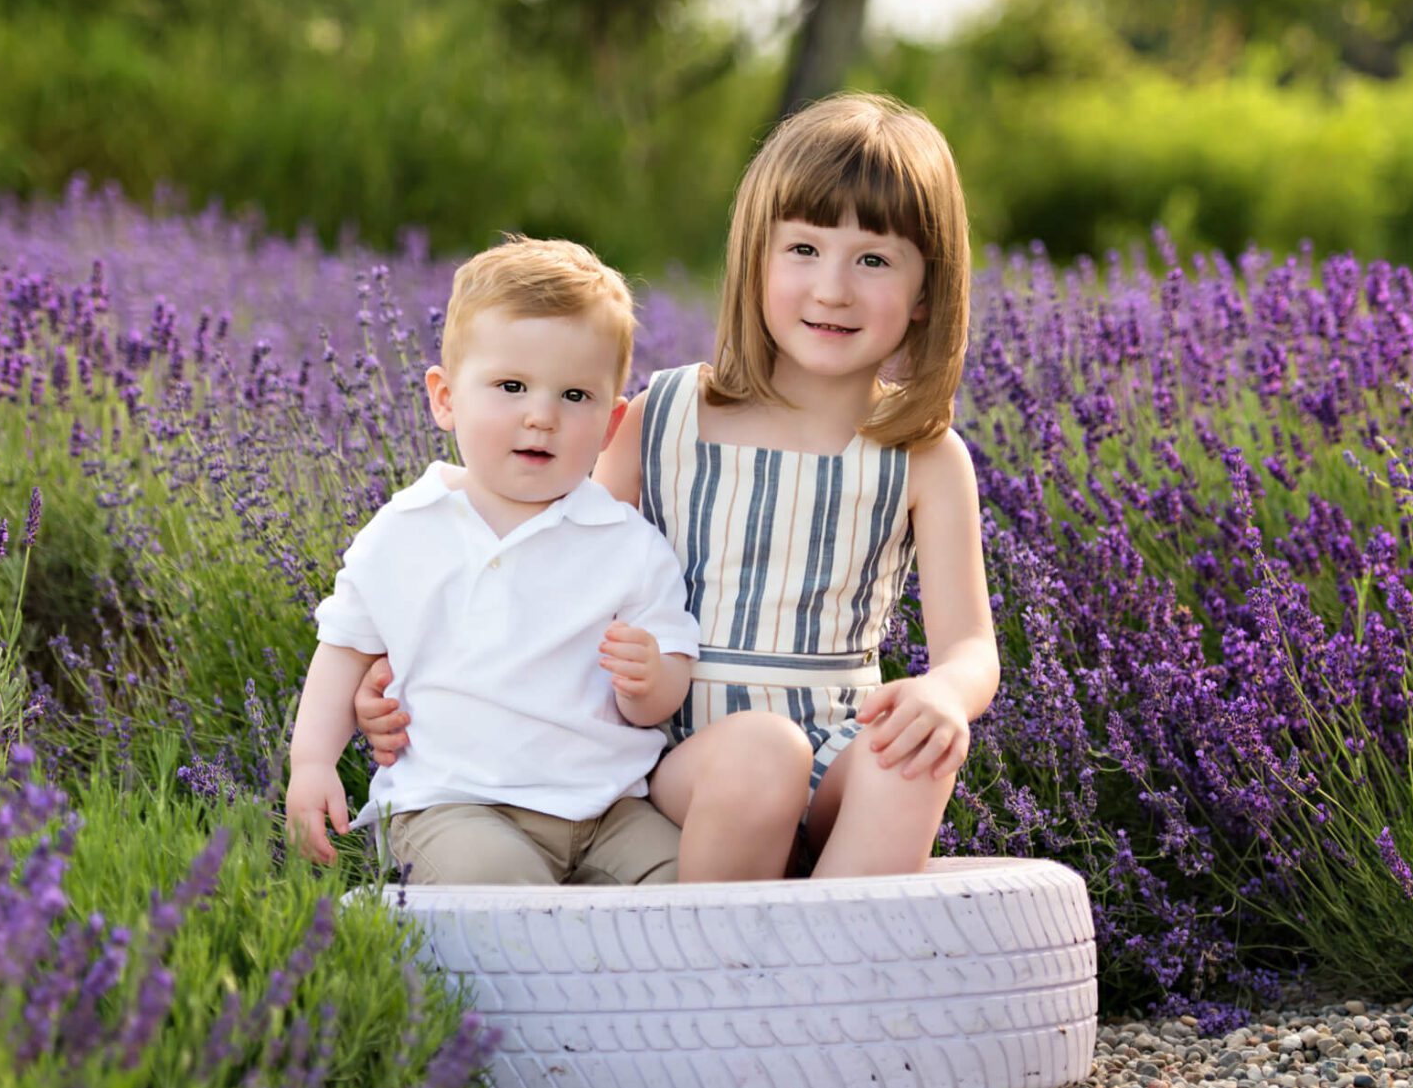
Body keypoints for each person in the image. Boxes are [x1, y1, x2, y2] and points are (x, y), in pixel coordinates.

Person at [358, 93, 998, 881]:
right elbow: (548, 562)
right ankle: (708, 976)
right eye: (801, 249)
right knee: (763, 754)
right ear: (754, 259)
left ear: (927, 291)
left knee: (919, 757)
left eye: (872, 259)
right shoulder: (664, 415)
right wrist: (414, 668)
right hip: (676, 752)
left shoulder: (922, 455)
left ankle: (825, 971)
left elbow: (970, 646)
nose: (832, 288)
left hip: (837, 743)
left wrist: (943, 696)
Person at [283, 236, 701, 886]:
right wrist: (311, 763)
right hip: (456, 802)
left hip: (609, 808)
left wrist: (651, 681)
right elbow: (343, 651)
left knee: (684, 875)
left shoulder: (627, 543)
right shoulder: (404, 530)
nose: (541, 416)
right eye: (511, 386)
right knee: (492, 879)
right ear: (446, 397)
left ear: (612, 422)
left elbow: (668, 677)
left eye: (574, 396)